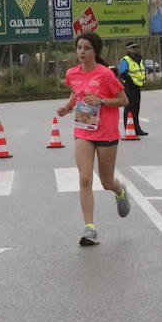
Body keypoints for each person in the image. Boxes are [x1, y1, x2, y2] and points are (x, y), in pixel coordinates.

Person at [57, 32, 131, 246]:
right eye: (79, 47)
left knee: (106, 181)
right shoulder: (72, 73)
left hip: (106, 131)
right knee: (85, 179)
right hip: (84, 131)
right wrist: (68, 107)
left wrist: (101, 101)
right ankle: (90, 228)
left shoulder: (105, 74)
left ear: (95, 51)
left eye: (86, 48)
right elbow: (77, 92)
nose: (81, 52)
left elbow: (123, 99)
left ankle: (120, 190)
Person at [116, 41, 149, 137]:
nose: (134, 49)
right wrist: (130, 81)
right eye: (132, 48)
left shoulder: (139, 59)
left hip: (137, 87)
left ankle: (137, 128)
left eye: (135, 48)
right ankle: (128, 129)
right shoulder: (125, 60)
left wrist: (143, 79)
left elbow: (141, 71)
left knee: (136, 108)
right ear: (128, 49)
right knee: (129, 108)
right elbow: (122, 73)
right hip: (129, 87)